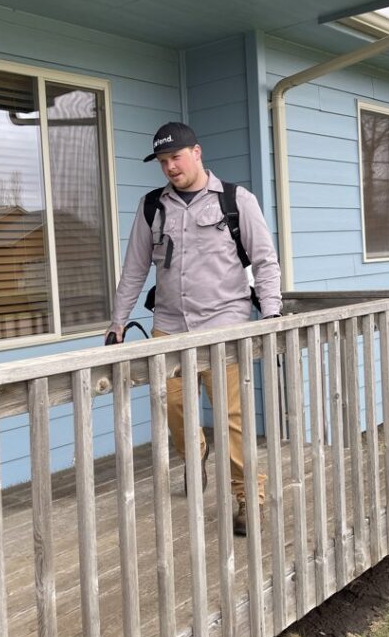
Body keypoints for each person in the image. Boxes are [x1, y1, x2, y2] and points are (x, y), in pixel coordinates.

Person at [107, 122, 282, 535]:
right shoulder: (153, 206)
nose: (170, 167)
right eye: (163, 161)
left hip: (224, 326)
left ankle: (248, 497)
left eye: (176, 158)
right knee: (172, 406)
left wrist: (271, 315)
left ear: (197, 153)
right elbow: (133, 270)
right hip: (169, 326)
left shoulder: (236, 200)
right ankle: (195, 451)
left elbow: (265, 261)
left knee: (231, 416)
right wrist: (117, 323)